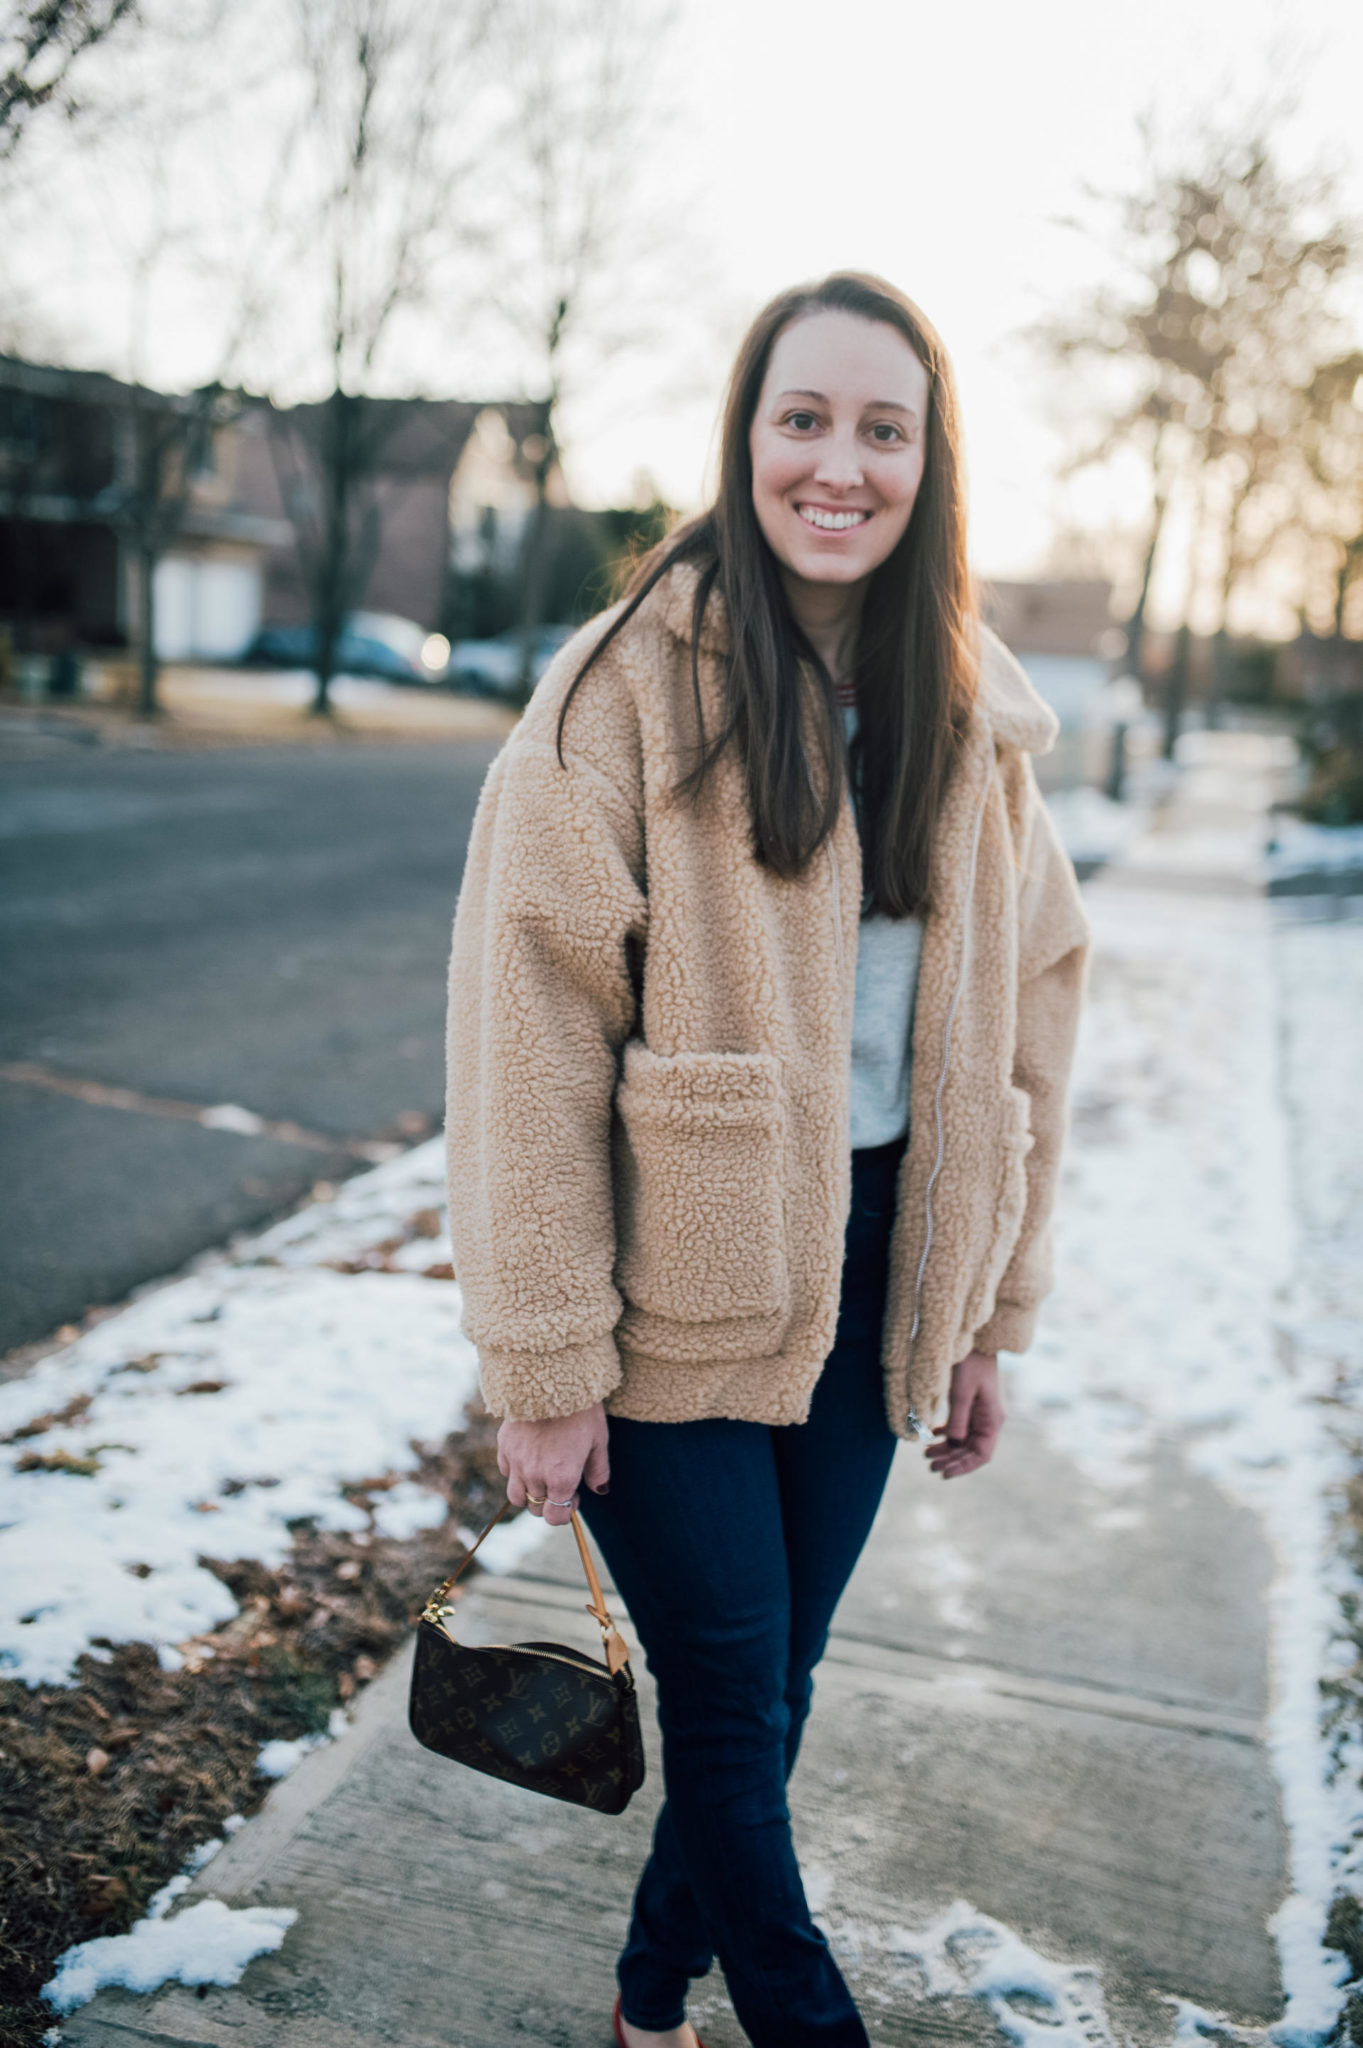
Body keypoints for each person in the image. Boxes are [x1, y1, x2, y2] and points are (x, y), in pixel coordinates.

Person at [444, 271, 1091, 2048]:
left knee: (771, 1686)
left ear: (929, 462)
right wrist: (548, 1355)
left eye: (884, 429)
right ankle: (806, 2019)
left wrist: (985, 1315)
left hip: (882, 1269)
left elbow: (1033, 1012)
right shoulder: (620, 693)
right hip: (677, 1289)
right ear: (744, 438)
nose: (839, 464)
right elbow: (527, 1044)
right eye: (803, 418)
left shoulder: (970, 717)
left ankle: (654, 1999)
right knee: (731, 1690)